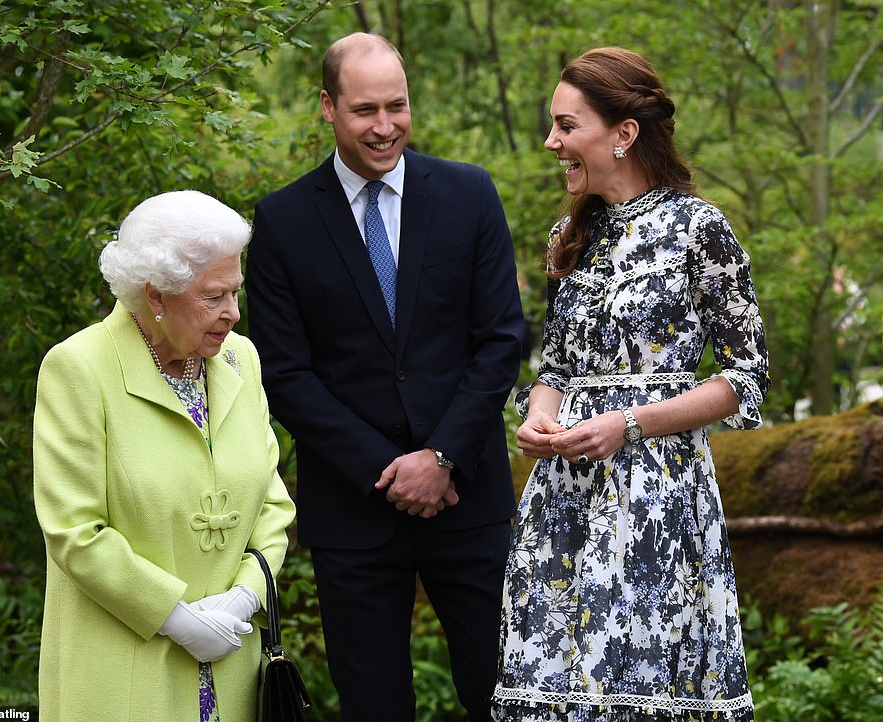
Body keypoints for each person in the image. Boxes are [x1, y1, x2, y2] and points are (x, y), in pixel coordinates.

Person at [245, 31, 525, 722]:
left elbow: (501, 341)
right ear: (327, 107)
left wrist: (442, 457)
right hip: (353, 512)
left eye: (396, 106)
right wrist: (393, 470)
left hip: (470, 500)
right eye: (365, 109)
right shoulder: (281, 220)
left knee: (507, 699)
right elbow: (285, 374)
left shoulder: (468, 193)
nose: (385, 126)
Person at [492, 47, 769, 722]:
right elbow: (555, 367)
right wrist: (537, 419)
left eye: (566, 125)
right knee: (553, 686)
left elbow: (745, 378)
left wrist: (631, 423)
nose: (551, 141)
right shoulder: (569, 234)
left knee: (643, 686)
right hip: (565, 499)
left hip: (657, 494)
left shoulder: (700, 230)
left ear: (623, 133)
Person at [33, 190, 296, 721]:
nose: (233, 314)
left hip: (234, 663)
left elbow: (272, 504)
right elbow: (74, 529)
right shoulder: (79, 368)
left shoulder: (240, 361)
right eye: (214, 297)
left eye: (235, 292)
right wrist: (175, 618)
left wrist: (244, 599)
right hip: (125, 667)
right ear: (155, 296)